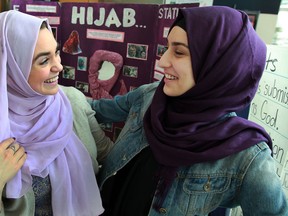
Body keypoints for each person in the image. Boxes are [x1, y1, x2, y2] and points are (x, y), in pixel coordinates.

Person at [89, 6, 288, 216]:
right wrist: (54, 92)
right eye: (167, 48)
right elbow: (93, 110)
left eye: (179, 52)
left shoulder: (246, 155)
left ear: (218, 65)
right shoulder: (149, 96)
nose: (163, 61)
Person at [0, 10, 113, 215]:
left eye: (57, 52)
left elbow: (107, 154)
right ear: (11, 68)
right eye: (44, 61)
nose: (59, 66)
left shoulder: (72, 100)